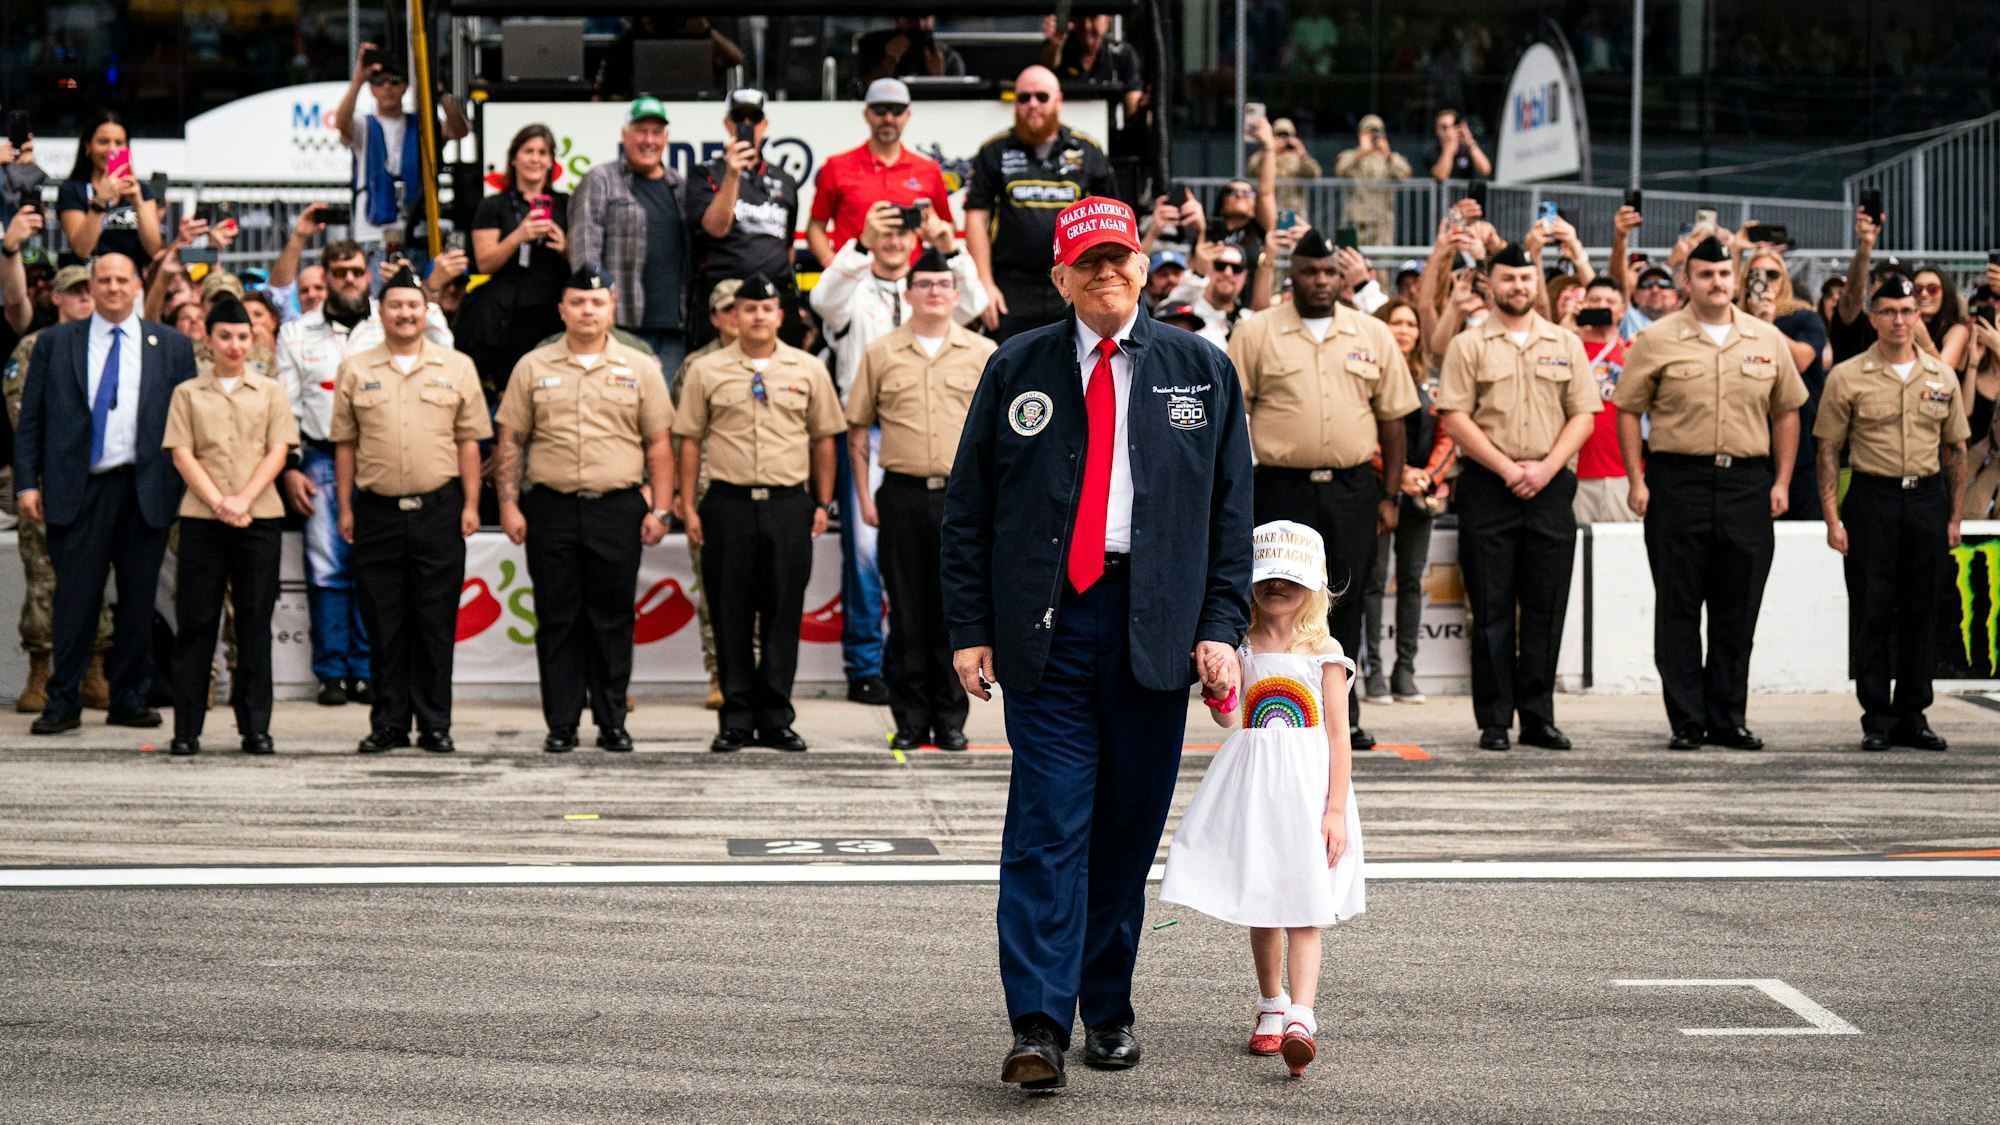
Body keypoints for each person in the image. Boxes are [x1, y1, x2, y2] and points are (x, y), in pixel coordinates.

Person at [940, 197, 1253, 1091]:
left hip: (1154, 628)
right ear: (1062, 276)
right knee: (1047, 826)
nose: (1108, 272)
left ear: (1144, 265)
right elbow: (969, 509)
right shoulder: (1017, 367)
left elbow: (1231, 515)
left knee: (1123, 830)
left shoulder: (1201, 368)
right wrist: (969, 629)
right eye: (1091, 261)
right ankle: (1038, 1021)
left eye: (1122, 258)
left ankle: (1105, 1006)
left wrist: (1218, 626)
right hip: (1049, 626)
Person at [1159, 520, 1364, 1078]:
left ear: (1314, 585)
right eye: (1267, 577)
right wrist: (1222, 688)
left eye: (1290, 579)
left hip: (1306, 790)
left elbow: (1338, 734)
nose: (1277, 587)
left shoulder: (1324, 651)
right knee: (1264, 899)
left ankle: (1302, 1015)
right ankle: (1271, 1003)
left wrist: (1335, 810)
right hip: (1254, 787)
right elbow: (1231, 715)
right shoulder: (1240, 645)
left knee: (1305, 904)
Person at [1614, 236, 1807, 752]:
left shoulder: (1766, 338)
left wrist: (1782, 480)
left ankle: (1728, 717)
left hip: (1747, 482)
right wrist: (1637, 478)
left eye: (1724, 275)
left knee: (1737, 605)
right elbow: (1628, 409)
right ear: (1688, 281)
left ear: (1735, 279)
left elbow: (1787, 411)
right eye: (1705, 275)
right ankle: (1687, 719)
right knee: (1678, 604)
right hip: (1679, 482)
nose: (1716, 283)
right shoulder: (1657, 339)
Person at [1230, 227, 1416, 750]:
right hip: (1280, 489)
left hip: (1353, 488)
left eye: (1330, 272)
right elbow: (1229, 419)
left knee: (1349, 598)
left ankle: (1344, 714)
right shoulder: (1257, 332)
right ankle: (1269, 702)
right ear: (1294, 276)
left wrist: (1391, 494)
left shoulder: (1371, 333)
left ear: (1343, 276)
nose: (1320, 281)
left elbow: (1394, 420)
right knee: (1274, 599)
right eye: (1310, 271)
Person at [14, 252, 199, 733]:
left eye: (122, 279)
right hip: (78, 488)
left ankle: (130, 698)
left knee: (139, 601)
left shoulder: (172, 347)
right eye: (104, 280)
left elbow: (188, 424)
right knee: (74, 600)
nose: (113, 288)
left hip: (145, 487)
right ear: (90, 287)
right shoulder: (55, 344)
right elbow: (30, 421)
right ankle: (62, 701)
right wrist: (26, 483)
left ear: (138, 285)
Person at [495, 267, 674, 754]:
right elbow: (510, 440)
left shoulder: (639, 367)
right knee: (558, 619)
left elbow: (659, 444)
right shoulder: (532, 365)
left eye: (596, 302)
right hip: (550, 507)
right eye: (577, 302)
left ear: (611, 307)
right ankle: (562, 724)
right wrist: (508, 503)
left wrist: (661, 509)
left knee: (613, 619)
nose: (587, 311)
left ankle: (612, 721)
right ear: (562, 309)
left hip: (617, 508)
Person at [813, 200, 985, 706]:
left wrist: (948, 245)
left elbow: (972, 300)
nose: (892, 242)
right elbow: (823, 296)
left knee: (941, 571)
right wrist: (860, 244)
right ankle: (867, 666)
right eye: (881, 236)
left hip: (941, 436)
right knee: (867, 558)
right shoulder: (852, 288)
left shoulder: (932, 287)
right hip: (871, 431)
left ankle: (913, 670)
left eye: (899, 236)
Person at [275, 238, 455, 707]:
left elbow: (446, 346)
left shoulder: (394, 316)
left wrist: (419, 290)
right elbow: (286, 410)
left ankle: (366, 670)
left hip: (384, 458)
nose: (349, 280)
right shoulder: (296, 333)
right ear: (326, 276)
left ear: (369, 274)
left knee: (376, 568)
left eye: (357, 272)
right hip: (320, 455)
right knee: (329, 567)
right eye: (340, 273)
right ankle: (332, 671)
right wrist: (292, 468)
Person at [1435, 243, 1600, 752]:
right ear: (1490, 283)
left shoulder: (1564, 343)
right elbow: (1454, 415)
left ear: (1536, 283)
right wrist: (1508, 468)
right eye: (1508, 279)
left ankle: (1538, 716)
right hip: (1489, 485)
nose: (1519, 287)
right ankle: (1494, 720)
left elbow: (1584, 414)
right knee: (1491, 608)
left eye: (1526, 279)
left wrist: (1547, 467)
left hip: (1550, 485)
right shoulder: (1469, 344)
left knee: (1546, 606)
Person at [674, 275, 843, 754]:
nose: (758, 317)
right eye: (748, 309)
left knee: (782, 614)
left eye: (766, 309)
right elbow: (687, 439)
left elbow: (824, 439)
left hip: (789, 506)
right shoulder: (706, 370)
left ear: (779, 315)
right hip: (725, 504)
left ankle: (775, 717)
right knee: (729, 615)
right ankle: (735, 718)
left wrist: (821, 502)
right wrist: (688, 506)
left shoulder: (807, 369)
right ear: (734, 316)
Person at [329, 267, 490, 754]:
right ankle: (390, 723)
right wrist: (344, 508)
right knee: (384, 622)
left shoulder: (456, 366)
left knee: (436, 622)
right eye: (396, 306)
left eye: (414, 306)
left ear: (427, 313)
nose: (405, 314)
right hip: (376, 511)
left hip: (439, 509)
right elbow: (345, 445)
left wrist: (471, 503)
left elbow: (469, 441)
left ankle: (435, 724)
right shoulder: (356, 369)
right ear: (381, 313)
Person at [844, 248, 997, 750]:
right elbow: (856, 431)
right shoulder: (881, 352)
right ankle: (910, 720)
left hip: (964, 502)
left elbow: (1001, 437)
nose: (934, 291)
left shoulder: (982, 353)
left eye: (943, 283)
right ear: (906, 293)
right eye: (924, 283)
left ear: (957, 294)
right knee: (907, 612)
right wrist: (865, 497)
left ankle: (951, 720)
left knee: (960, 611)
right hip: (902, 496)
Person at [1815, 273, 1969, 753]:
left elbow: (1956, 451)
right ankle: (1876, 715)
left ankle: (1913, 713)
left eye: (1907, 312)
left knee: (1923, 608)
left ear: (1917, 317)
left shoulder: (1941, 375)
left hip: (1925, 499)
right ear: (1874, 318)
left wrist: (1955, 518)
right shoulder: (1847, 375)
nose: (1899, 320)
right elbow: (1827, 450)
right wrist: (1832, 518)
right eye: (1888, 312)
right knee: (1872, 608)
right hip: (1872, 499)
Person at [161, 296, 298, 756]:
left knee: (255, 623)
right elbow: (182, 454)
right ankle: (187, 729)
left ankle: (255, 727)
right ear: (208, 338)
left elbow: (277, 451)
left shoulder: (271, 392)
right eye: (225, 336)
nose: (235, 345)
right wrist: (220, 502)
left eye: (242, 336)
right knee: (197, 622)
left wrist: (242, 499)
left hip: (259, 517)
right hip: (203, 518)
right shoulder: (188, 393)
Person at [4, 264, 113, 713]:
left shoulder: (109, 346)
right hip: (51, 479)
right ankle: (41, 673)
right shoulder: (34, 347)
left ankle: (93, 670)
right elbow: (22, 416)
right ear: (57, 299)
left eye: (91, 291)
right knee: (44, 579)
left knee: (97, 577)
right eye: (75, 293)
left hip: (100, 480)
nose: (85, 299)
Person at [963, 65, 1117, 343]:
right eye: (1024, 98)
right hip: (1011, 287)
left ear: (1058, 101)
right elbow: (976, 218)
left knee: (1075, 370)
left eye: (1041, 97)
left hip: (1074, 281)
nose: (1032, 104)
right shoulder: (994, 150)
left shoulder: (1087, 149)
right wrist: (984, 284)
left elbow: (1108, 221)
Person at [1361, 298, 1454, 705]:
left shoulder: (1431, 381)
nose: (1403, 330)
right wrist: (1399, 477)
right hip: (1378, 492)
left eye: (1410, 324)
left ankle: (1406, 672)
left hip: (1422, 494)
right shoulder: (1368, 373)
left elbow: (1448, 435)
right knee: (1374, 582)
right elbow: (1362, 437)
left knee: (1413, 581)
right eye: (1396, 323)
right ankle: (1374, 673)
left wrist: (1427, 477)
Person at [568, 97, 690, 374]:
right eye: (641, 131)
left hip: (675, 326)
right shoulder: (600, 179)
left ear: (666, 139)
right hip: (623, 324)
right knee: (621, 408)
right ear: (624, 136)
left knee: (667, 412)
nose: (649, 140)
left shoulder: (679, 185)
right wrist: (596, 306)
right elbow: (584, 248)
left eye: (656, 132)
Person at [458, 124, 571, 400]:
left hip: (553, 312)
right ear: (514, 158)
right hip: (507, 316)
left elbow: (583, 260)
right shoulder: (493, 205)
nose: (535, 158)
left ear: (551, 161)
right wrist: (519, 236)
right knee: (510, 394)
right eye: (528, 151)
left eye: (542, 152)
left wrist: (566, 248)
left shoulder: (567, 203)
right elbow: (484, 263)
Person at [673, 280, 745, 711]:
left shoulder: (783, 360)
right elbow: (683, 436)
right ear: (715, 317)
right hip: (708, 490)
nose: (739, 316)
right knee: (716, 591)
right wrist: (681, 496)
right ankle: (720, 675)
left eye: (747, 307)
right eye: (728, 309)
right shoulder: (696, 366)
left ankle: (756, 672)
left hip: (763, 491)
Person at [688, 89, 802, 349]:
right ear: (728, 123)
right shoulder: (705, 173)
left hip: (774, 297)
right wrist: (732, 174)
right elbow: (715, 228)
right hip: (726, 296)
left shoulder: (785, 180)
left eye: (755, 118)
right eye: (740, 117)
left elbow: (788, 246)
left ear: (765, 124)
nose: (747, 125)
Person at [805, 79, 958, 269]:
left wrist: (935, 231)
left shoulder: (929, 169)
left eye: (896, 110)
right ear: (866, 114)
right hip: (853, 280)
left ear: (907, 115)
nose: (888, 118)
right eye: (880, 110)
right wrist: (834, 268)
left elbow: (949, 225)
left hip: (908, 281)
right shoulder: (836, 166)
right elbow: (815, 228)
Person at [334, 42, 471, 252]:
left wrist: (440, 93)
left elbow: (460, 130)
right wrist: (358, 79)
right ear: (372, 89)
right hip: (373, 235)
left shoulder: (423, 125)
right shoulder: (364, 125)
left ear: (406, 87)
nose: (387, 87)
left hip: (417, 234)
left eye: (395, 81)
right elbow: (342, 123)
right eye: (379, 82)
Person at [1738, 250, 1829, 520]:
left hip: (1801, 451)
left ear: (1785, 280)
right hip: (1748, 446)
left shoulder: (1804, 317)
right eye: (1756, 275)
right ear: (1745, 282)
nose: (1765, 282)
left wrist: (1767, 324)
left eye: (1773, 275)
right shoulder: (1734, 321)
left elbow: (1802, 360)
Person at [55, 111, 163, 263]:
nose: (112, 149)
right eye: (103, 142)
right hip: (89, 279)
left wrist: (138, 204)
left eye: (119, 143)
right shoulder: (71, 190)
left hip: (130, 281)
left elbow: (154, 250)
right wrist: (100, 201)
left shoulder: (142, 190)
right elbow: (82, 250)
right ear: (88, 145)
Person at [1571, 277, 1635, 523]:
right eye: (1594, 300)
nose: (1601, 306)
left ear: (1622, 310)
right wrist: (1567, 328)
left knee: (1623, 556)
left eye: (1610, 301)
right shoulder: (1567, 345)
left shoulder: (1632, 350)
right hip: (1574, 470)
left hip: (1622, 473)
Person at [1041, 14, 1144, 120]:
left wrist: (1143, 103)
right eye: (1080, 17)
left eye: (1093, 17)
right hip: (1063, 130)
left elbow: (1133, 103)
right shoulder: (1058, 49)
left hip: (1109, 132)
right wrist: (1054, 43)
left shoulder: (1121, 53)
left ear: (1108, 20)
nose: (1087, 26)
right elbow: (1045, 69)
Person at [1333, 115, 1409, 247]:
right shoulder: (1350, 156)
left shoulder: (1389, 158)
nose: (1373, 136)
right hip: (1354, 221)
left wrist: (1387, 154)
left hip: (1382, 222)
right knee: (1349, 261)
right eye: (1369, 132)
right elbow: (1340, 170)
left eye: (1377, 132)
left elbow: (1405, 173)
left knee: (1381, 264)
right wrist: (1361, 152)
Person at [1161, 240, 1252, 348]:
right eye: (1220, 266)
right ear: (1209, 268)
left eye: (1236, 268)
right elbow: (1170, 304)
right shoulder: (1187, 306)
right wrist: (1199, 272)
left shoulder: (1249, 319)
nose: (1228, 273)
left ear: (1244, 275)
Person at [855, 16, 967, 83]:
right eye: (912, 17)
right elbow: (865, 90)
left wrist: (938, 78)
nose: (920, 24)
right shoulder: (873, 47)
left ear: (933, 20)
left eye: (925, 17)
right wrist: (890, 60)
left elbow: (953, 102)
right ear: (898, 20)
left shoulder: (948, 57)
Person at [1248, 119, 1324, 218]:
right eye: (1278, 135)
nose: (1281, 138)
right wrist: (1268, 149)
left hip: (1294, 208)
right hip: (1270, 206)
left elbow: (1315, 173)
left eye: (1285, 136)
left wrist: (1302, 153)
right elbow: (1251, 170)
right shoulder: (1264, 155)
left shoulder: (1297, 157)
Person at [1913, 267, 1970, 375]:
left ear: (1945, 293)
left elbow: (1944, 374)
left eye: (1932, 289)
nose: (1924, 294)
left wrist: (1920, 332)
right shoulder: (1903, 326)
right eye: (1917, 289)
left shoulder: (1958, 331)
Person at [1426, 108, 1491, 183]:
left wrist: (1469, 142)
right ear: (1437, 130)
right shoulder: (1432, 152)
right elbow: (1441, 176)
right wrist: (1449, 149)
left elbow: (1485, 170)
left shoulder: (1466, 149)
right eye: (1444, 127)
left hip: (1465, 194)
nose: (1448, 131)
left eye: (1452, 126)